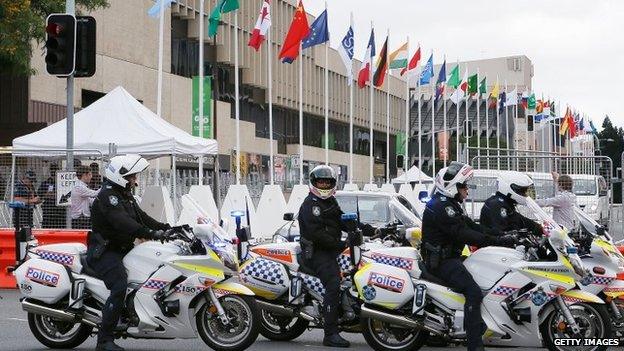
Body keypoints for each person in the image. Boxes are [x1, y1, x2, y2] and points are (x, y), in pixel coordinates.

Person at [421, 162, 515, 351]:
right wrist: (494, 241)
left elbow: (472, 226)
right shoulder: (442, 207)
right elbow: (463, 233)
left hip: (450, 258)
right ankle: (474, 345)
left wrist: (501, 236)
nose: (467, 191)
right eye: (463, 186)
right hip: (441, 262)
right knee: (473, 292)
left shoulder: (450, 204)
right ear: (452, 187)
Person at [87, 154, 171, 351]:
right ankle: (104, 340)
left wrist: (167, 228)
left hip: (123, 249)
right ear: (121, 176)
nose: (134, 180)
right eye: (131, 176)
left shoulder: (124, 194)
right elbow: (122, 222)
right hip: (106, 251)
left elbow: (141, 217)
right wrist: (150, 233)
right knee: (119, 286)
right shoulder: (108, 196)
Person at [298, 165, 375, 348]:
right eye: (321, 182)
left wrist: (371, 229)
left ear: (332, 183)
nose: (324, 185)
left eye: (327, 182)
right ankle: (330, 333)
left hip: (331, 250)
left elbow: (344, 221)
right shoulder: (310, 204)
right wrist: (342, 244)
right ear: (314, 183)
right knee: (333, 284)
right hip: (317, 253)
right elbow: (317, 235)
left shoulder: (331, 202)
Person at [480, 171, 543, 236]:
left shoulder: (505, 202)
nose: (524, 194)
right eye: (522, 191)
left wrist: (538, 227)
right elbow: (501, 231)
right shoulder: (497, 205)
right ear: (509, 188)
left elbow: (519, 219)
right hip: (495, 244)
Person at [38, 163, 66, 228]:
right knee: (47, 228)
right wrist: (56, 195)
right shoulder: (46, 182)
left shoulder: (63, 183)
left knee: (60, 229)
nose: (54, 171)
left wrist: (52, 195)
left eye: (55, 169)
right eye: (52, 169)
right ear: (50, 171)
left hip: (60, 212)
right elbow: (40, 195)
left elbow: (66, 195)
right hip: (48, 211)